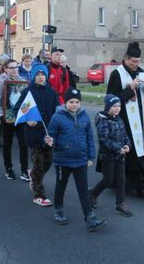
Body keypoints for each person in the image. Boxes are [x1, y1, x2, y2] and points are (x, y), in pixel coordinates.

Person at [45, 87, 106, 231]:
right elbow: (50, 134)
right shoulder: (57, 116)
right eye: (71, 102)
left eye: (77, 102)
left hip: (80, 160)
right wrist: (48, 140)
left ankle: (90, 217)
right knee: (61, 186)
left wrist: (91, 156)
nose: (74, 105)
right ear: (66, 102)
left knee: (83, 189)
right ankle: (59, 211)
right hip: (63, 160)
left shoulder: (84, 116)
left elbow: (90, 137)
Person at [106, 42, 144, 198]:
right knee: (132, 153)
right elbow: (112, 99)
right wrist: (130, 89)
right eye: (133, 61)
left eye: (138, 61)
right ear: (126, 59)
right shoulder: (117, 74)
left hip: (139, 120)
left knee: (137, 152)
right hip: (123, 121)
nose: (136, 65)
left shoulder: (141, 72)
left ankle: (127, 181)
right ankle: (139, 186)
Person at [13, 64, 58, 206]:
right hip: (33, 134)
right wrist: (27, 120)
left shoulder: (51, 92)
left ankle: (33, 175)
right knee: (38, 164)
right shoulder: (28, 92)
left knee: (48, 161)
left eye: (43, 75)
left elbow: (56, 111)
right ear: (33, 76)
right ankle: (38, 194)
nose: (40, 77)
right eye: (38, 75)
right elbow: (17, 110)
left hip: (48, 134)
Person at [90, 94, 133, 216]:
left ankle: (120, 204)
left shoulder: (119, 119)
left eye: (119, 106)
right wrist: (118, 148)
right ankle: (93, 193)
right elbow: (104, 140)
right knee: (108, 180)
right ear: (108, 106)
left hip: (120, 155)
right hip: (108, 156)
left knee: (121, 180)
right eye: (114, 106)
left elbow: (125, 135)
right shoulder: (103, 120)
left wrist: (127, 145)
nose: (117, 108)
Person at [0, 59, 30, 181]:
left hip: (21, 118)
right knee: (7, 144)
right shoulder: (1, 82)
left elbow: (27, 101)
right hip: (7, 118)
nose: (14, 70)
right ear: (5, 69)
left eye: (16, 67)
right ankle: (8, 169)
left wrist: (27, 114)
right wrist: (1, 116)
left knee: (23, 144)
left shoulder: (23, 82)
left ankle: (24, 170)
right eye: (11, 68)